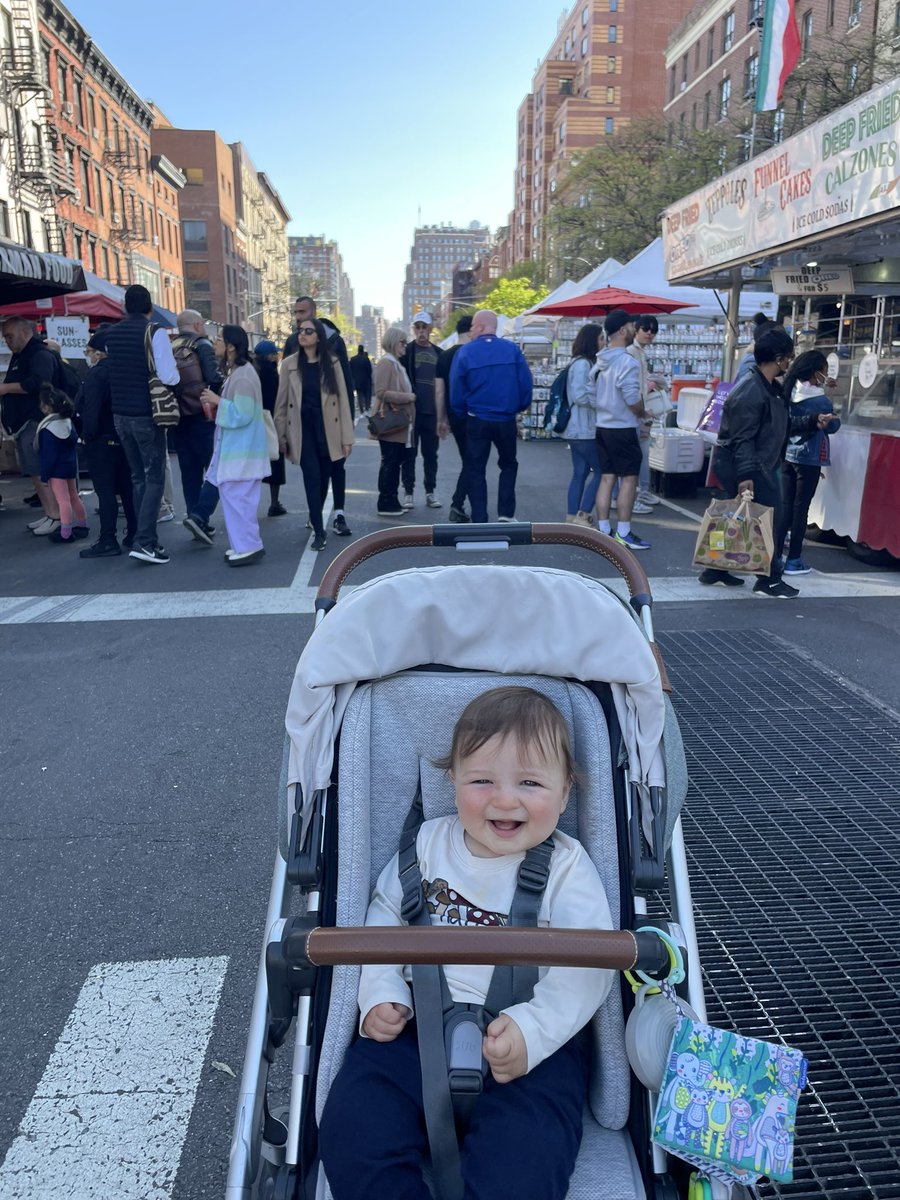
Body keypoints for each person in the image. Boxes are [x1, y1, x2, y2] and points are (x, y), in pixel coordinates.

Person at [318, 685, 613, 1200]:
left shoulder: (568, 867)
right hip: (415, 1025)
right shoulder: (428, 845)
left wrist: (534, 1029)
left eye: (529, 782)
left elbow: (588, 968)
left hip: (528, 1041)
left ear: (566, 792)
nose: (504, 799)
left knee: (528, 1156)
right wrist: (382, 991)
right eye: (481, 780)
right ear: (451, 780)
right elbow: (384, 915)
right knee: (354, 1123)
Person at [705, 329, 834, 598]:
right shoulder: (753, 391)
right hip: (750, 465)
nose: (790, 362)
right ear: (777, 359)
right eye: (788, 357)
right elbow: (743, 439)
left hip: (750, 463)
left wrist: (812, 421)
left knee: (732, 516)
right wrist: (745, 475)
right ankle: (769, 579)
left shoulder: (767, 387)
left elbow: (778, 426)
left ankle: (715, 569)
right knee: (768, 522)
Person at [103, 284, 180, 566]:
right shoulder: (154, 332)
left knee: (138, 477)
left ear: (125, 307)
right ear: (150, 308)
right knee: (154, 477)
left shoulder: (112, 334)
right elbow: (169, 376)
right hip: (147, 414)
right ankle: (145, 541)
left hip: (120, 415)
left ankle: (141, 535)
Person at [274, 317, 354, 552]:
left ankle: (315, 517)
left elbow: (342, 403)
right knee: (311, 478)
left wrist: (347, 438)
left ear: (318, 336)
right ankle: (319, 531)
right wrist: (281, 436)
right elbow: (281, 403)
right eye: (300, 331)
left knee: (324, 477)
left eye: (309, 331)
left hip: (328, 428)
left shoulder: (332, 363)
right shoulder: (289, 364)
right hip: (302, 430)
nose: (303, 334)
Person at [449, 309, 532, 523]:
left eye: (473, 327)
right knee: (508, 464)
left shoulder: (466, 352)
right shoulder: (512, 350)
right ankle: (505, 512)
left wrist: (460, 413)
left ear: (482, 326)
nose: (471, 330)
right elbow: (525, 383)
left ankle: (480, 517)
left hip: (477, 418)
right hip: (505, 418)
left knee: (476, 468)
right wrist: (519, 406)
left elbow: (456, 388)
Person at [197, 325, 268, 566]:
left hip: (243, 453)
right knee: (236, 499)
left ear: (230, 346)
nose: (214, 343)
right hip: (240, 452)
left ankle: (248, 546)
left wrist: (218, 401)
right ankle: (243, 545)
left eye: (218, 339)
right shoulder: (240, 373)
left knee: (239, 501)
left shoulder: (244, 374)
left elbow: (243, 413)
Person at [284, 296, 356, 524]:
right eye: (295, 312)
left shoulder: (334, 340)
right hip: (305, 421)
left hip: (331, 419)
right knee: (313, 472)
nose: (298, 317)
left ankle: (339, 512)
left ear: (313, 312)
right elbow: (286, 390)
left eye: (302, 312)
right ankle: (315, 514)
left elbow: (346, 383)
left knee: (336, 467)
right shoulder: (292, 342)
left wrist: (348, 425)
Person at [592, 309, 651, 551]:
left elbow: (589, 393)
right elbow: (630, 397)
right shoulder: (627, 361)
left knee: (607, 478)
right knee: (629, 479)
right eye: (631, 326)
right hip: (623, 426)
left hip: (602, 424)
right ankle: (624, 532)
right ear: (623, 330)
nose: (634, 330)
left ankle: (604, 529)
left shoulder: (600, 361)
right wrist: (643, 411)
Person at [77, 326, 136, 558]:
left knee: (105, 491)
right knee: (128, 488)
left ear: (99, 352)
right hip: (124, 436)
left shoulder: (97, 374)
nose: (88, 355)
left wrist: (87, 437)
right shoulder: (124, 370)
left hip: (101, 439)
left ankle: (108, 538)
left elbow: (90, 410)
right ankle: (133, 533)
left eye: (89, 351)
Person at [779, 350, 841, 577]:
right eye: (825, 371)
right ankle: (794, 560)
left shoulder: (789, 391)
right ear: (818, 373)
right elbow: (834, 426)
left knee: (786, 506)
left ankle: (777, 556)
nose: (826, 374)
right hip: (809, 458)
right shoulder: (820, 400)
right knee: (801, 508)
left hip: (788, 455)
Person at [0, 316, 61, 535]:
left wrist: (7, 388)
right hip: (24, 423)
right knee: (34, 472)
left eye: (10, 336)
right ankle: (49, 513)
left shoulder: (39, 354)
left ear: (24, 333)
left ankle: (56, 515)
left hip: (35, 420)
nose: (7, 341)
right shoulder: (21, 356)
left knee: (42, 472)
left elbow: (40, 382)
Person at [170, 309, 224, 518]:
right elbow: (213, 377)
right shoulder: (203, 345)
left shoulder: (170, 347)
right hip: (204, 415)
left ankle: (192, 512)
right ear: (198, 325)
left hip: (179, 417)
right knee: (213, 468)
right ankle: (200, 516)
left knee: (189, 472)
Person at [34, 383, 88, 544]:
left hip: (56, 470)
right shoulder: (68, 423)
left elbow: (48, 456)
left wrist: (44, 476)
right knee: (74, 496)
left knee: (62, 500)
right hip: (70, 466)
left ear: (46, 407)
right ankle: (82, 524)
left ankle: (65, 531)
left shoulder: (47, 428)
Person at [371, 326, 415, 517]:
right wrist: (408, 397)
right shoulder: (386, 363)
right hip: (391, 422)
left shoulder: (395, 363)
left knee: (395, 461)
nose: (405, 346)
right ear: (393, 342)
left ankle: (392, 499)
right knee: (390, 461)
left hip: (399, 424)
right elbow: (381, 392)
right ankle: (386, 501)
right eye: (402, 342)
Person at [563, 322, 603, 527]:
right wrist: (600, 402)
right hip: (584, 428)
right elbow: (580, 395)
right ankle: (583, 513)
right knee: (601, 471)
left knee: (580, 472)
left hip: (575, 428)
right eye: (600, 338)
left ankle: (571, 515)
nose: (603, 342)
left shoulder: (576, 363)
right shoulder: (583, 365)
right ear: (592, 341)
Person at [400, 312, 442, 510]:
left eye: (424, 327)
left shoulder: (439, 353)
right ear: (413, 329)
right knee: (409, 454)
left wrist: (444, 417)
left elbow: (445, 386)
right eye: (417, 327)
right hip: (411, 414)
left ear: (431, 328)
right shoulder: (407, 352)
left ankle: (430, 492)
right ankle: (408, 492)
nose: (421, 331)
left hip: (432, 413)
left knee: (431, 455)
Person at [435, 312, 473, 523]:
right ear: (471, 331)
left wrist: (441, 419)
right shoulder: (472, 353)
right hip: (473, 414)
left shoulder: (444, 356)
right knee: (472, 461)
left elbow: (439, 392)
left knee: (469, 459)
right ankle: (458, 503)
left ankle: (465, 504)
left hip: (453, 415)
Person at [626, 315, 663, 511]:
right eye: (645, 329)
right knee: (635, 457)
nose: (649, 333)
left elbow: (640, 383)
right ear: (636, 330)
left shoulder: (640, 352)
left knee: (642, 453)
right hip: (635, 412)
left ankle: (643, 492)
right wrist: (642, 411)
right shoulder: (631, 352)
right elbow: (633, 387)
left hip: (642, 410)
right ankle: (633, 497)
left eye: (653, 330)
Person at [350, 344, 373, 416]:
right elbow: (370, 370)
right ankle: (366, 408)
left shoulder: (353, 359)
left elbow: (350, 370)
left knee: (359, 395)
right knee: (366, 394)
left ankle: (361, 410)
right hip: (366, 380)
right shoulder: (366, 359)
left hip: (357, 380)